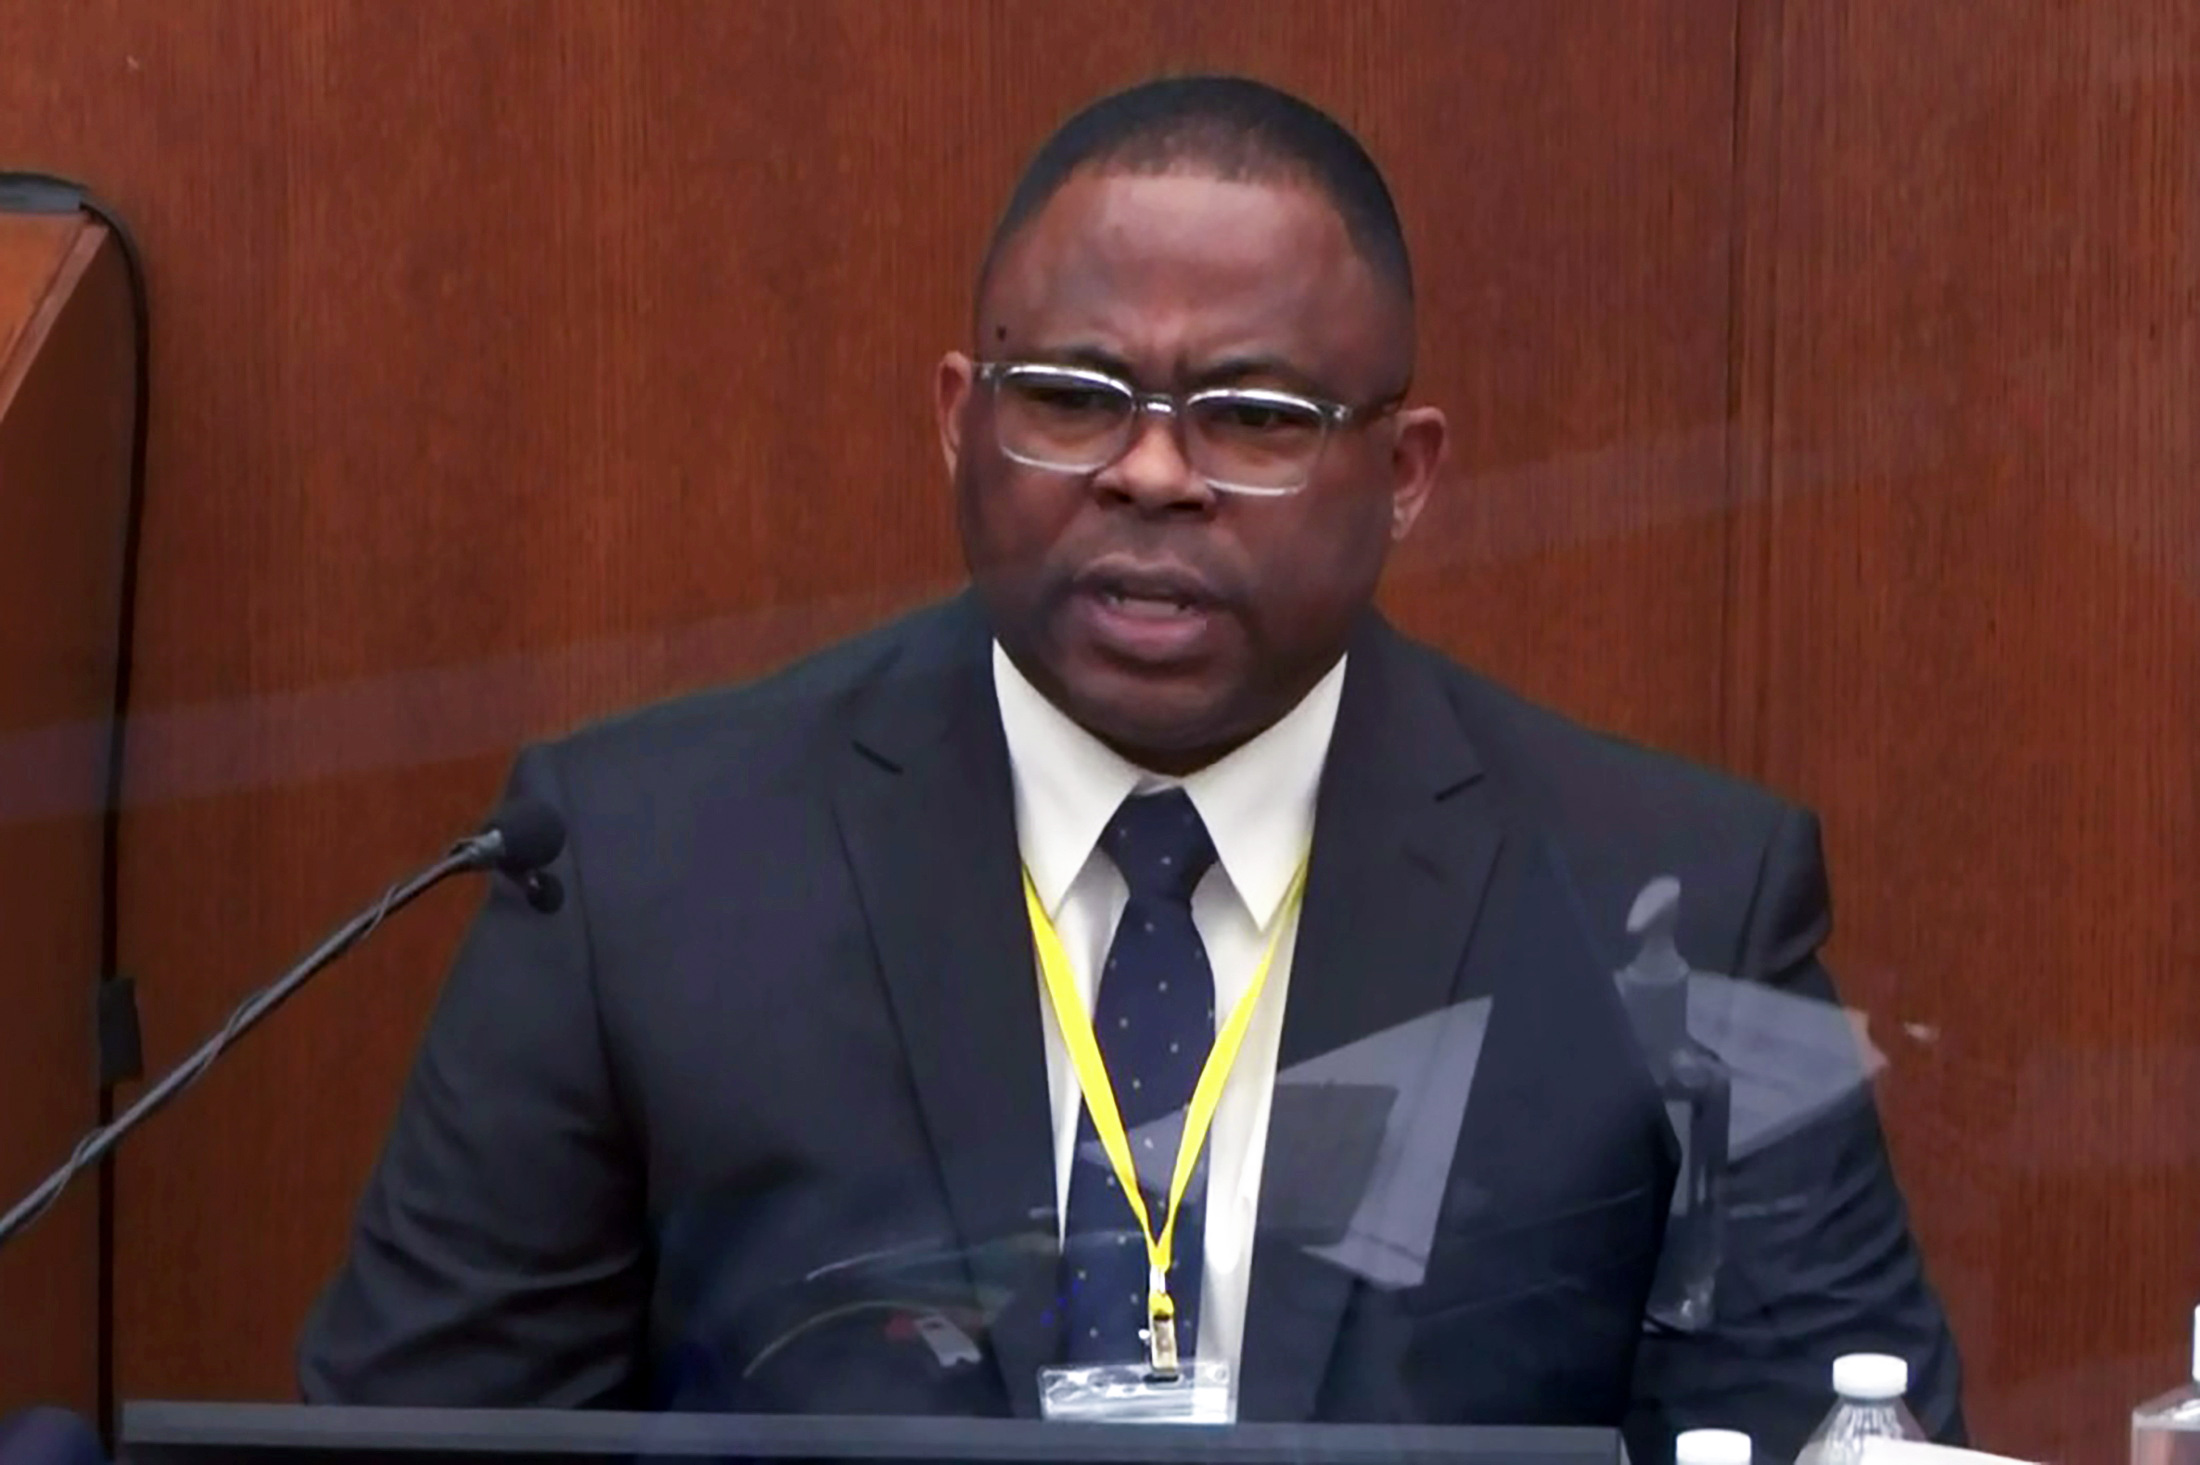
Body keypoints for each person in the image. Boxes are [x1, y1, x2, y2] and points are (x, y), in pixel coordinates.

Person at [298, 75, 1965, 1463]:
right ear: (959, 420)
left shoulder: (1671, 898)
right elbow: (413, 1439)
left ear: (1405, 471)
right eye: (1074, 398)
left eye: (1252, 415)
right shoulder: (636, 867)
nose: (1151, 472)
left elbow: (1838, 1428)